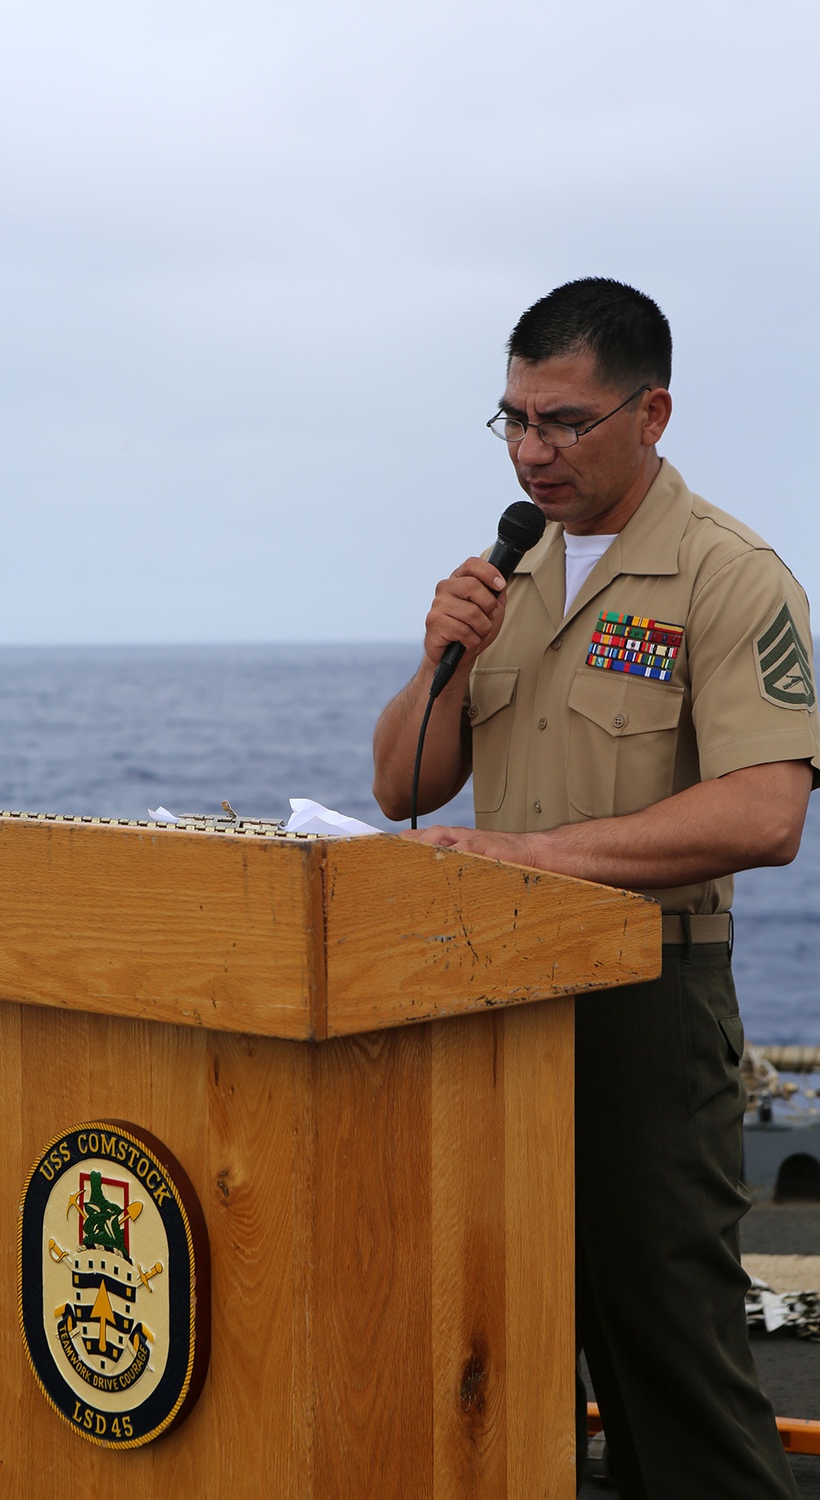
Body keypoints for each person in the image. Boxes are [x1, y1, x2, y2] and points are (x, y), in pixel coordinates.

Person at [372, 277, 820, 1499]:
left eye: (563, 421)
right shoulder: (502, 570)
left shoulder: (730, 576)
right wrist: (440, 663)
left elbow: (765, 812)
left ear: (651, 413)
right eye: (513, 418)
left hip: (642, 1001)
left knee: (664, 1351)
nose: (532, 450)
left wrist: (530, 858)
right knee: (498, 1339)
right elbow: (402, 787)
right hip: (492, 996)